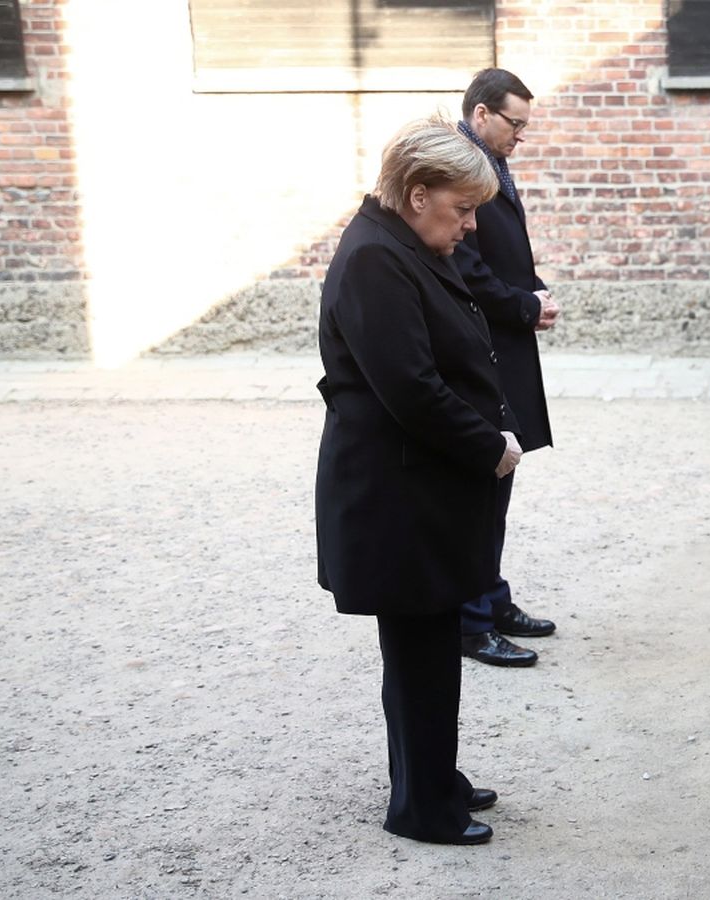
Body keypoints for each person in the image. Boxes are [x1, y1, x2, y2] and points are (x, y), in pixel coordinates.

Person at [314, 115, 519, 845]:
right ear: (416, 192)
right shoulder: (376, 257)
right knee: (419, 655)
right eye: (461, 208)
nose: (468, 226)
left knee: (429, 648)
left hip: (414, 488)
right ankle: (421, 808)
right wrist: (487, 446)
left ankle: (437, 779)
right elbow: (408, 385)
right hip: (395, 495)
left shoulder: (398, 242)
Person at [451, 68, 560, 667]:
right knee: (483, 484)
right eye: (515, 124)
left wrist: (534, 292)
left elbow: (501, 252)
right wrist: (522, 305)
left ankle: (490, 600)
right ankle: (472, 623)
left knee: (502, 478)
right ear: (482, 112)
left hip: (502, 339)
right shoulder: (458, 168)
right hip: (479, 344)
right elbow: (467, 264)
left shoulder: (491, 161)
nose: (521, 136)